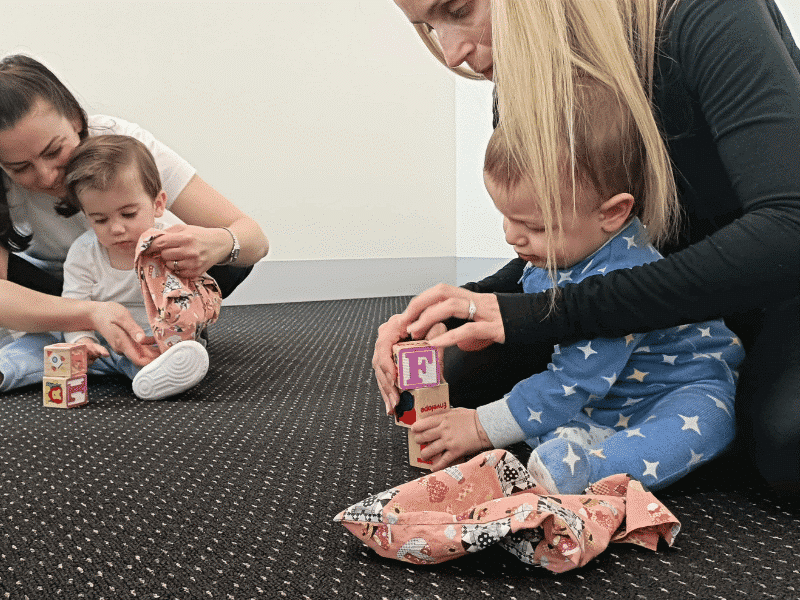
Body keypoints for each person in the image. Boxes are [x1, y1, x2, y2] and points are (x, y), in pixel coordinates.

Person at [375, 0, 800, 493]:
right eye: (429, 27)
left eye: (459, 8)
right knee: (458, 366)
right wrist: (456, 308)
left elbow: (787, 229)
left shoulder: (706, 14)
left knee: (784, 442)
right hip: (646, 299)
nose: (452, 55)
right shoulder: (528, 82)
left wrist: (543, 317)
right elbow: (567, 244)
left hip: (770, 282)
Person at [415, 81, 745, 493]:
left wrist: (481, 427)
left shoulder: (621, 280)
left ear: (613, 213)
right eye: (506, 217)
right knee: (548, 412)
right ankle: (576, 449)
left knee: (705, 424)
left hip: (680, 389)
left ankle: (591, 470)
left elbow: (571, 382)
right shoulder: (561, 252)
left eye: (534, 226)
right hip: (609, 394)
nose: (511, 237)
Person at [0, 54, 268, 349]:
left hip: (153, 278)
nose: (47, 176)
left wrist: (219, 243)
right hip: (58, 291)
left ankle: (172, 324)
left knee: (232, 259)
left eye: (53, 151)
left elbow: (255, 241)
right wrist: (88, 314)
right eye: (19, 168)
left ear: (75, 118)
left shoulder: (124, 147)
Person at [0, 135, 216, 400]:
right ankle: (5, 370)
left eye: (128, 214)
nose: (116, 228)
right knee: (36, 344)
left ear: (158, 204)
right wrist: (82, 341)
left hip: (147, 339)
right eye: (100, 220)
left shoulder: (173, 244)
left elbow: (197, 297)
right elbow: (74, 304)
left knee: (150, 357)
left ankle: (158, 374)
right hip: (98, 343)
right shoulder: (83, 252)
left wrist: (181, 326)